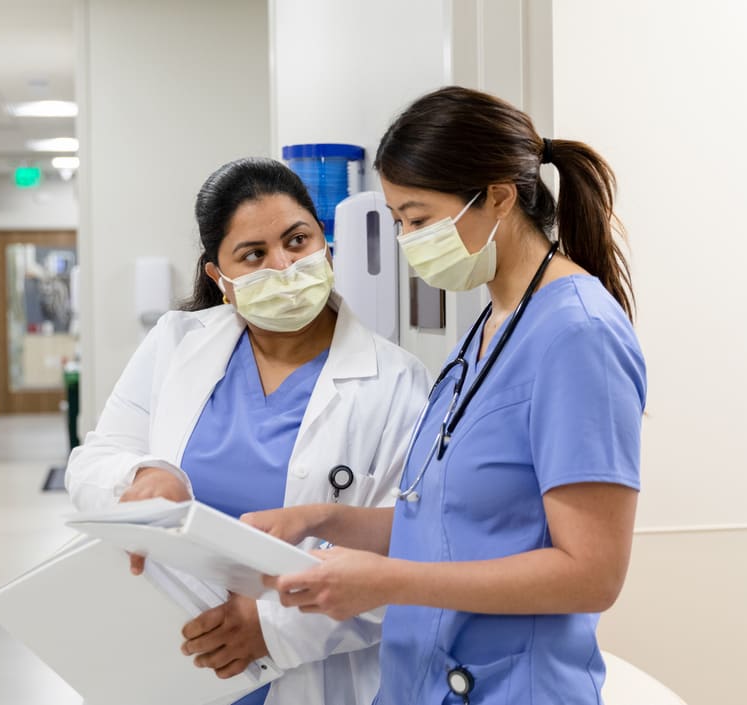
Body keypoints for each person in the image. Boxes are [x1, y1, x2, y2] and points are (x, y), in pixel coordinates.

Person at [244, 86, 647, 705]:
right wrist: (321, 519)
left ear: (499, 197)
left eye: (419, 218)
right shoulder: (490, 325)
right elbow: (450, 522)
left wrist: (389, 582)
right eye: (399, 221)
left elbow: (591, 574)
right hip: (419, 683)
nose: (406, 240)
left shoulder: (578, 335)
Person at [65, 157, 429, 705]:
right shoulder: (176, 342)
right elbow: (95, 461)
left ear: (326, 244)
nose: (283, 266)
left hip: (312, 674)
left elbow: (410, 549)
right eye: (253, 255)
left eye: (298, 240)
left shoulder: (398, 381)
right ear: (220, 277)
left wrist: (271, 627)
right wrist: (144, 476)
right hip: (174, 661)